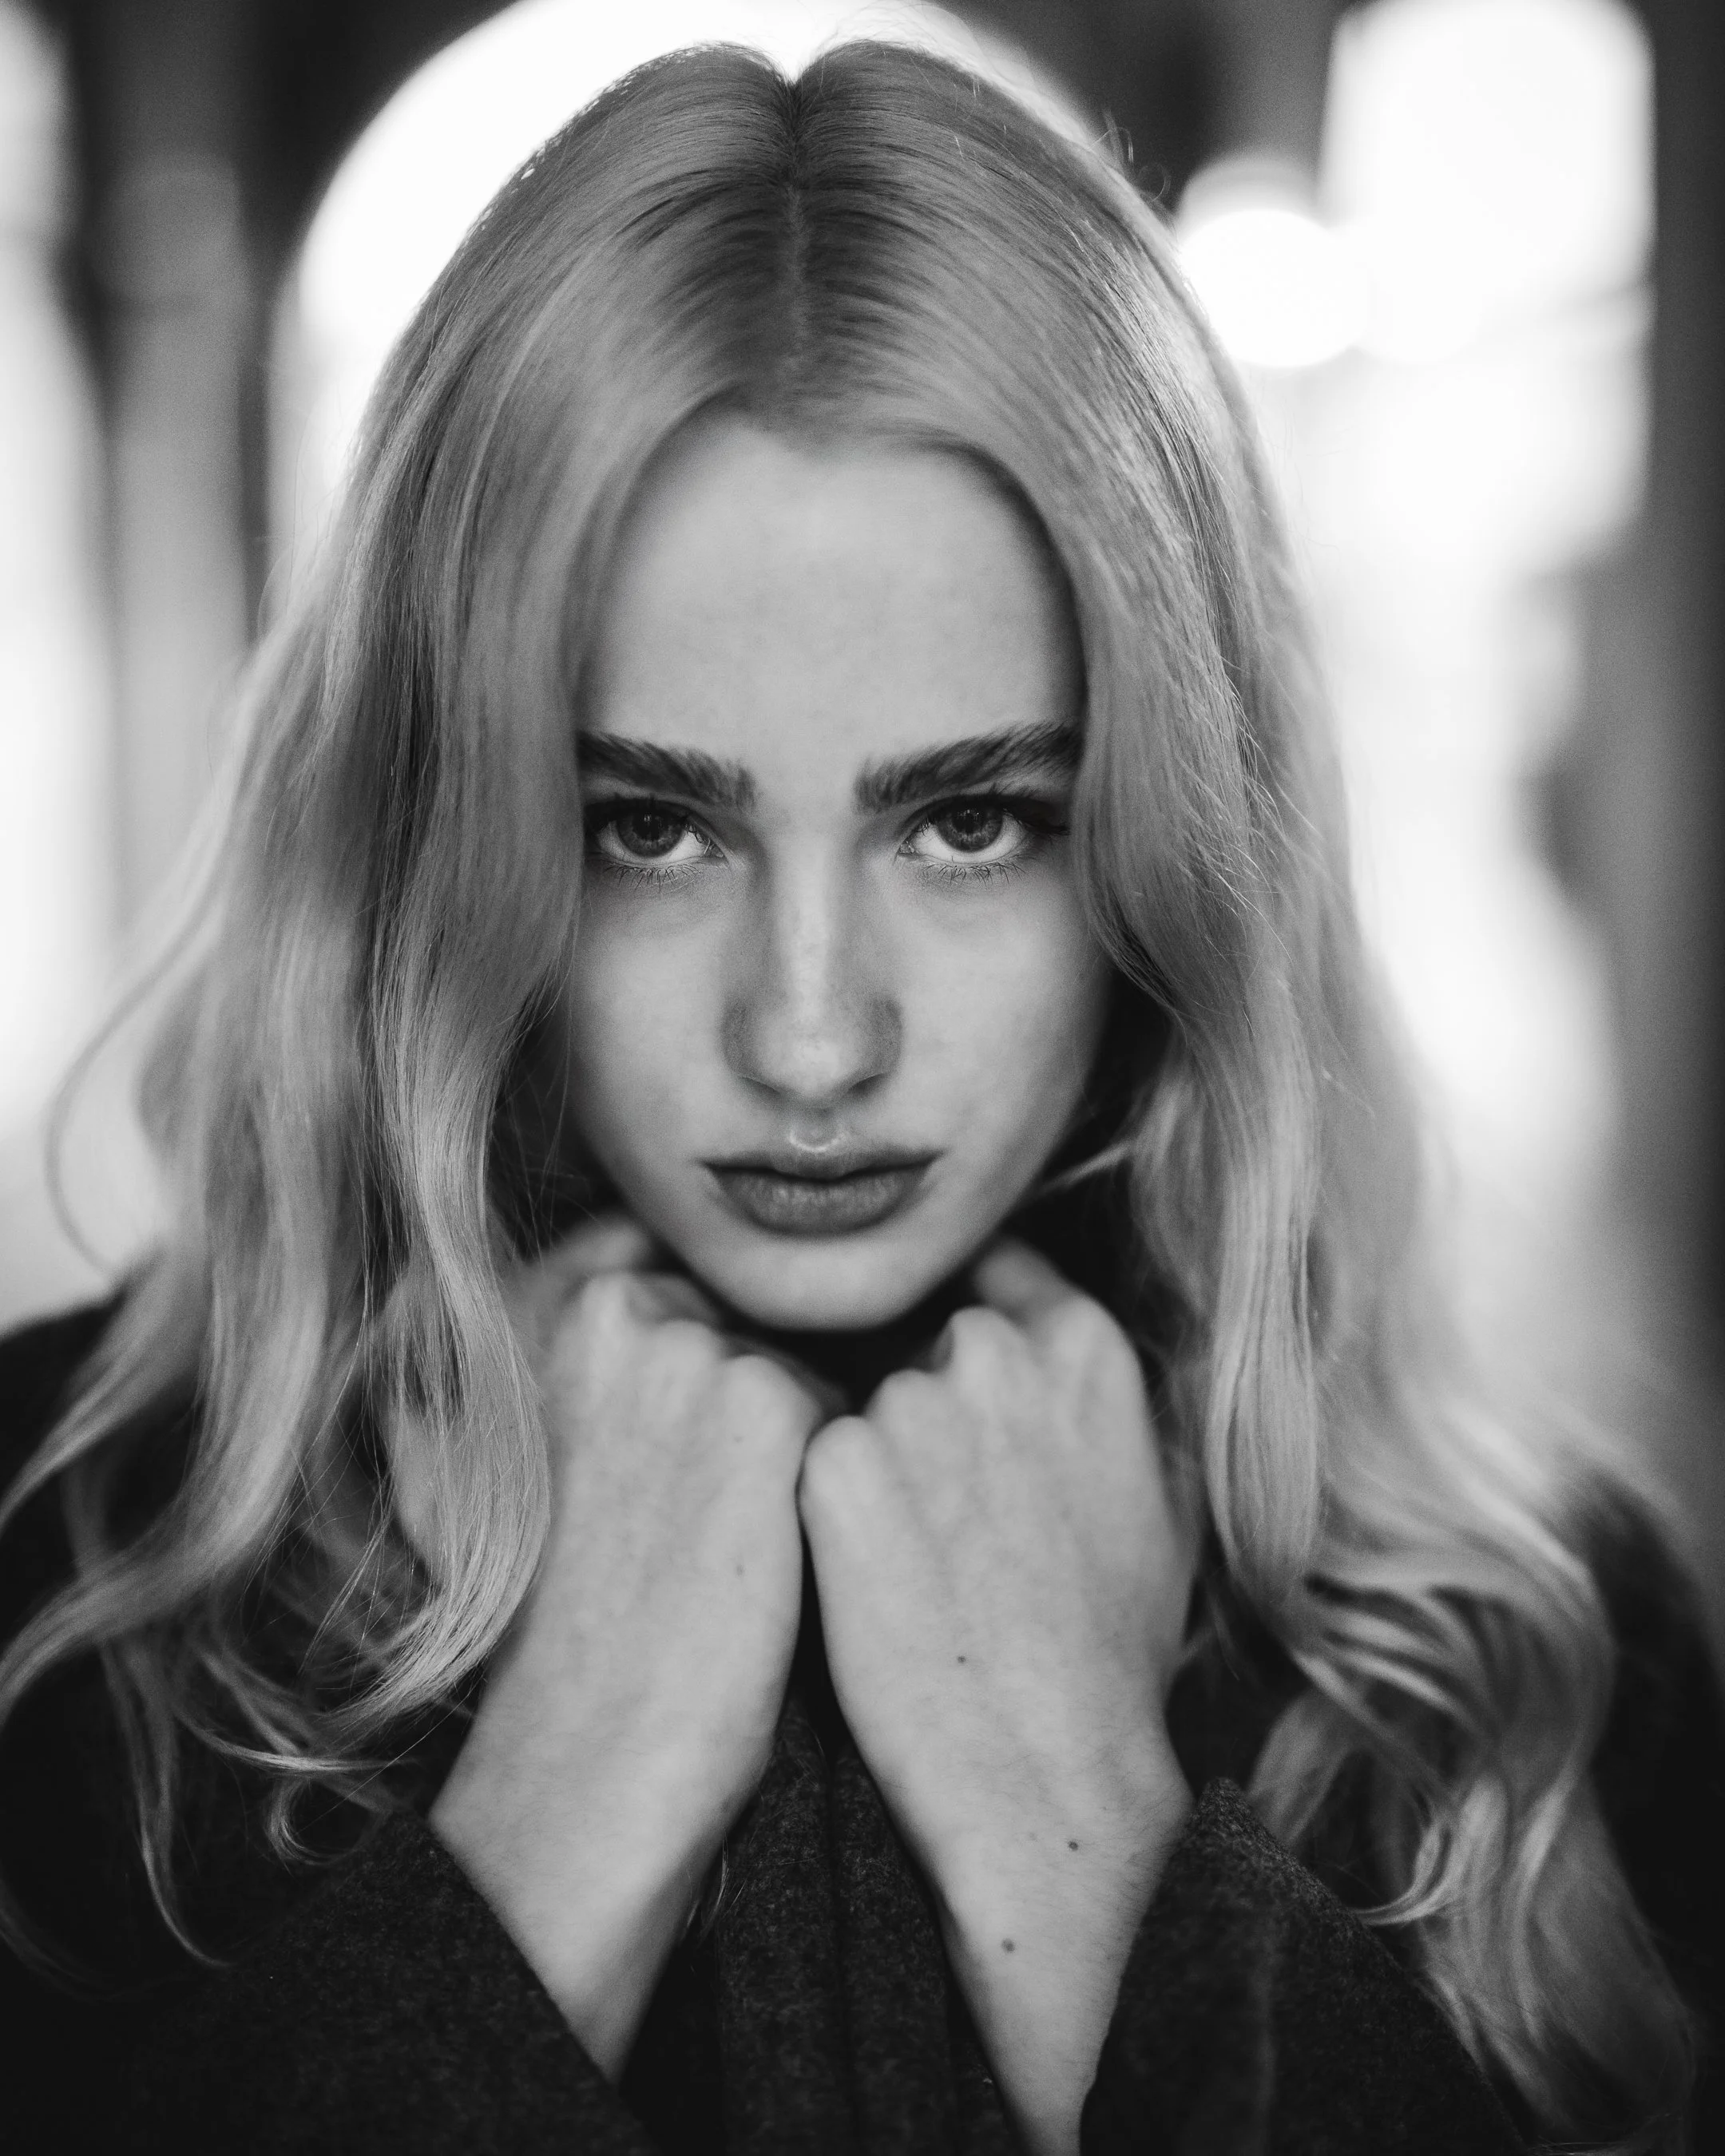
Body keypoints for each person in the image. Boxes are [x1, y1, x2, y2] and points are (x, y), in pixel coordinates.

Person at [0, 38, 1718, 2156]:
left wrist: (1086, 1828)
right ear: (443, 833)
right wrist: (552, 1827)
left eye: (974, 821)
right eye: (651, 828)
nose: (811, 1042)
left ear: (1179, 844)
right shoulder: (63, 1587)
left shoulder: (1539, 1653)